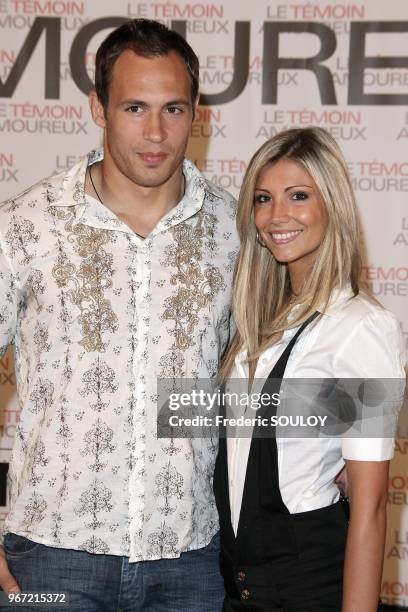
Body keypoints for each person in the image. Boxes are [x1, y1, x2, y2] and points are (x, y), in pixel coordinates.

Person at [0, 19, 238, 611]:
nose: (155, 132)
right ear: (98, 108)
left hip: (189, 560)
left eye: (174, 109)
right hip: (50, 555)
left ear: (196, 113)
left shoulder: (236, 233)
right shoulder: (27, 224)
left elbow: (273, 376)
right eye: (134, 107)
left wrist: (341, 442)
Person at [213, 127, 406, 611]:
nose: (277, 215)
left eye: (298, 196)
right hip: (238, 591)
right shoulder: (259, 325)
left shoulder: (363, 328)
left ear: (332, 206)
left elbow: (371, 507)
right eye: (263, 198)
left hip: (309, 593)